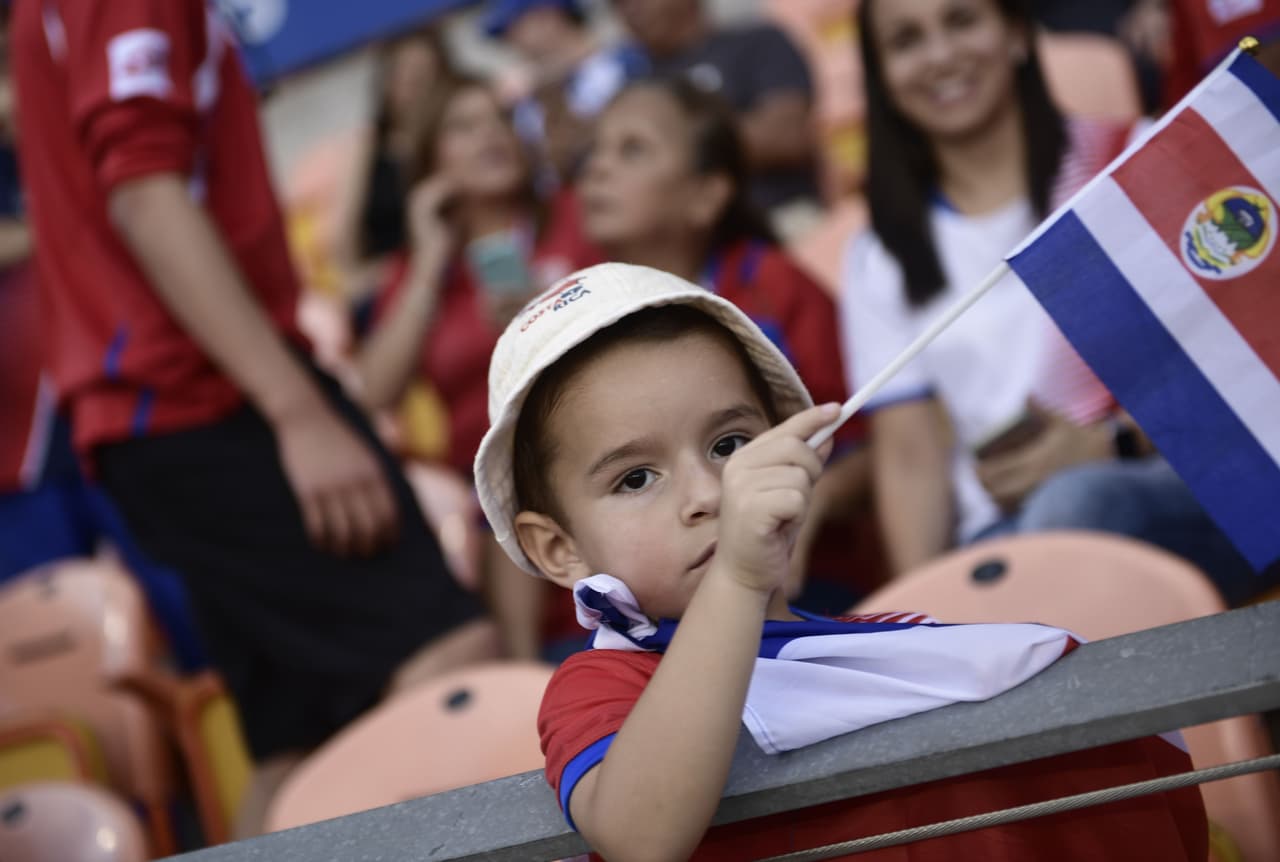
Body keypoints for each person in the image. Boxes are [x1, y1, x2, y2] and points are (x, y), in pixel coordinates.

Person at [471, 261, 1206, 861]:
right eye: (635, 479)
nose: (709, 493)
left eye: (730, 444)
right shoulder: (604, 682)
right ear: (558, 549)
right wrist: (738, 577)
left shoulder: (900, 645)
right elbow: (640, 833)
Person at [10, 0, 498, 832]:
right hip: (203, 397)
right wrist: (295, 409)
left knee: (294, 743)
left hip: (161, 414)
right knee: (447, 661)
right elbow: (146, 194)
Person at [839, 0, 1265, 604]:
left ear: (1015, 34)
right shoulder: (879, 254)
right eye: (906, 40)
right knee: (996, 568)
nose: (940, 55)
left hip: (1184, 483)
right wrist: (921, 613)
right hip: (1001, 535)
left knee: (1075, 502)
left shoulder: (1132, 157)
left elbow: (1250, 358)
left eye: (961, 21)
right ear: (881, 74)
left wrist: (1108, 444)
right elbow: (910, 461)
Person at [580, 78, 879, 610]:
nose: (597, 169)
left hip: (804, 582)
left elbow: (863, 445)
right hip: (655, 602)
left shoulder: (775, 286)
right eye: (596, 150)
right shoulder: (580, 326)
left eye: (632, 149)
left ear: (706, 195)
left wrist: (811, 500)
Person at [355, 74, 601, 658]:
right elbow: (373, 393)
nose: (490, 136)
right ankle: (524, 685)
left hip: (591, 455)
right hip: (494, 514)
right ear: (429, 160)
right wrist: (429, 261)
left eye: (499, 120)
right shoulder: (423, 270)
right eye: (464, 127)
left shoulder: (577, 215)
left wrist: (545, 315)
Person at [613, 0, 824, 232]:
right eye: (617, 3)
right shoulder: (632, 90)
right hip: (686, 244)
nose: (629, 8)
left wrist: (670, 148)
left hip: (783, 217)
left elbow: (787, 136)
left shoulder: (758, 42)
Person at [332, 26, 451, 302]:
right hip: (388, 284)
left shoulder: (454, 140)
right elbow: (342, 246)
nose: (413, 90)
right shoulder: (369, 145)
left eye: (425, 78)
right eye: (404, 77)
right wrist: (395, 276)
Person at [483, 0, 644, 188]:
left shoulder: (627, 64)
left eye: (514, 29)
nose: (513, 43)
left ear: (547, 18)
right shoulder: (525, 98)